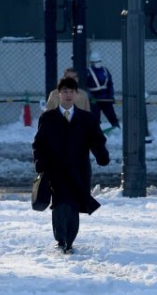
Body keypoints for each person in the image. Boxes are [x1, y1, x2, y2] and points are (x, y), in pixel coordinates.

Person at [32, 76, 110, 254]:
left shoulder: (87, 119)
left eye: (71, 91)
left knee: (73, 205)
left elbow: (97, 140)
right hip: (55, 169)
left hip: (78, 169)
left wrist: (101, 155)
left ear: (76, 95)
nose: (68, 95)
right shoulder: (48, 118)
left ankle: (70, 240)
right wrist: (40, 162)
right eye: (65, 91)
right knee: (60, 204)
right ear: (59, 94)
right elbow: (39, 143)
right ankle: (61, 240)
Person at [85, 52, 120, 129]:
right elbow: (85, 87)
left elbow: (110, 84)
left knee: (111, 114)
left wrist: (111, 96)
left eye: (99, 61)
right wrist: (90, 97)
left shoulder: (105, 70)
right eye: (96, 62)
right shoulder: (88, 72)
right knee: (95, 116)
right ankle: (96, 131)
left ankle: (116, 128)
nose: (98, 63)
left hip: (106, 98)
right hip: (94, 99)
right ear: (92, 62)